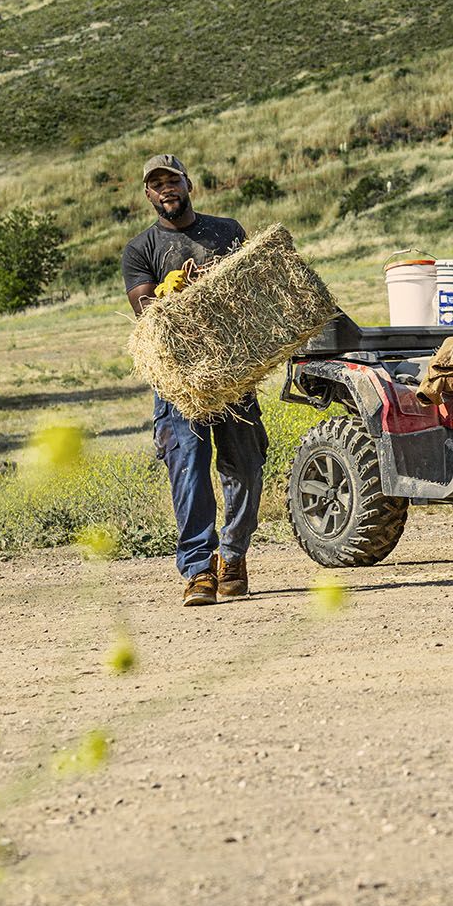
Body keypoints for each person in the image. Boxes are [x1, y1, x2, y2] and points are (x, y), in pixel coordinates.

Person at [122, 153, 269, 607]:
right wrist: (177, 288)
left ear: (189, 185)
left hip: (231, 369)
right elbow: (146, 311)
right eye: (157, 184)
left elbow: (252, 290)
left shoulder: (227, 231)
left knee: (245, 465)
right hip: (178, 379)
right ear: (149, 195)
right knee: (187, 469)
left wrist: (217, 280)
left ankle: (233, 555)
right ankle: (198, 570)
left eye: (173, 180)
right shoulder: (140, 249)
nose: (166, 188)